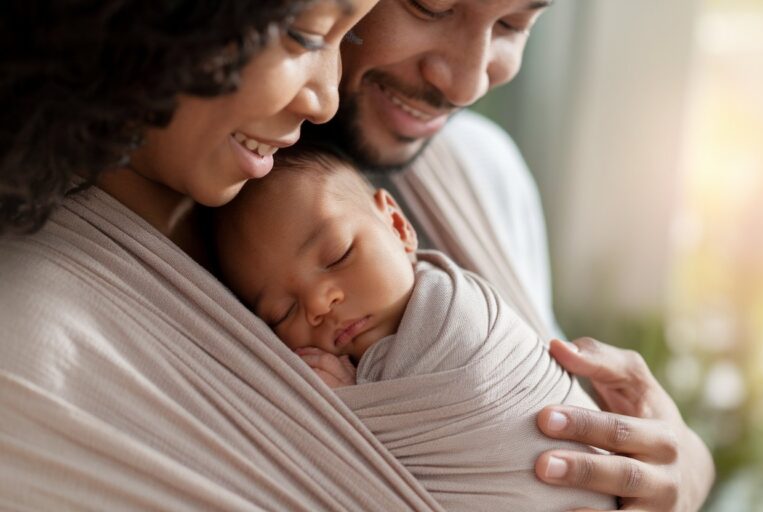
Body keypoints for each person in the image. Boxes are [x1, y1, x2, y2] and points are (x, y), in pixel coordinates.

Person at [1, 2, 460, 510]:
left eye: (346, 39)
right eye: (305, 36)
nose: (327, 98)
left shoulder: (405, 186)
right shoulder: (32, 352)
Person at [301, 0, 716, 509]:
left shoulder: (484, 170)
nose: (467, 84)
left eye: (513, 24)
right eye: (431, 7)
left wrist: (682, 467)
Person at [214, 146, 616, 511]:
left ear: (398, 225)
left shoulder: (454, 311)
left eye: (338, 255)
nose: (319, 304)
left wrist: (350, 400)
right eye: (282, 313)